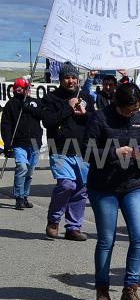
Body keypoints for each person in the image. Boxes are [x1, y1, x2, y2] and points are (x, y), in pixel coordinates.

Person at [84, 83, 140, 300]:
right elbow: (86, 151)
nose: (131, 113)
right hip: (103, 188)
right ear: (116, 104)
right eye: (127, 110)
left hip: (132, 185)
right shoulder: (99, 118)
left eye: (134, 109)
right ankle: (102, 290)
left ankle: (130, 289)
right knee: (107, 239)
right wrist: (114, 152)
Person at [40, 62, 95, 241]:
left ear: (78, 79)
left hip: (83, 150)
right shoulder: (51, 98)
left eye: (73, 77)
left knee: (80, 189)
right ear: (60, 79)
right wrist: (68, 107)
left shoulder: (86, 96)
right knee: (66, 185)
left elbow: (95, 122)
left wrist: (85, 113)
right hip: (60, 148)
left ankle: (73, 228)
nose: (70, 81)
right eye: (66, 77)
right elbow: (48, 121)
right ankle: (54, 220)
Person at [1, 78, 42, 210]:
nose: (19, 90)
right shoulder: (11, 104)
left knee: (29, 172)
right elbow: (6, 125)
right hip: (19, 143)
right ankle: (18, 197)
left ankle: (25, 196)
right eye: (17, 88)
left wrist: (29, 108)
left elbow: (42, 114)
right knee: (22, 167)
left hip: (35, 142)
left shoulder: (34, 102)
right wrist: (8, 144)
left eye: (22, 88)